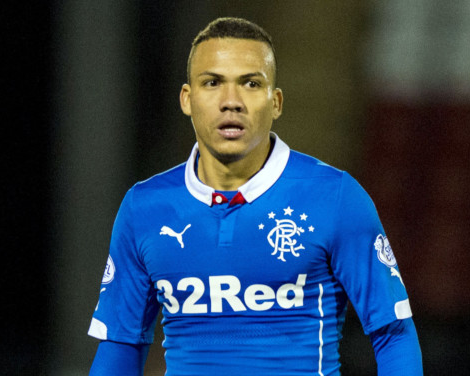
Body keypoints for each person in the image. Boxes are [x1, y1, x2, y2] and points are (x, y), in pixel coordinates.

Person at [88, 17, 423, 375]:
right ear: (187, 99)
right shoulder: (144, 208)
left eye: (250, 83)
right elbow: (121, 345)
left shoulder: (336, 197)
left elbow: (393, 334)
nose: (231, 101)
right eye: (213, 82)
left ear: (276, 102)